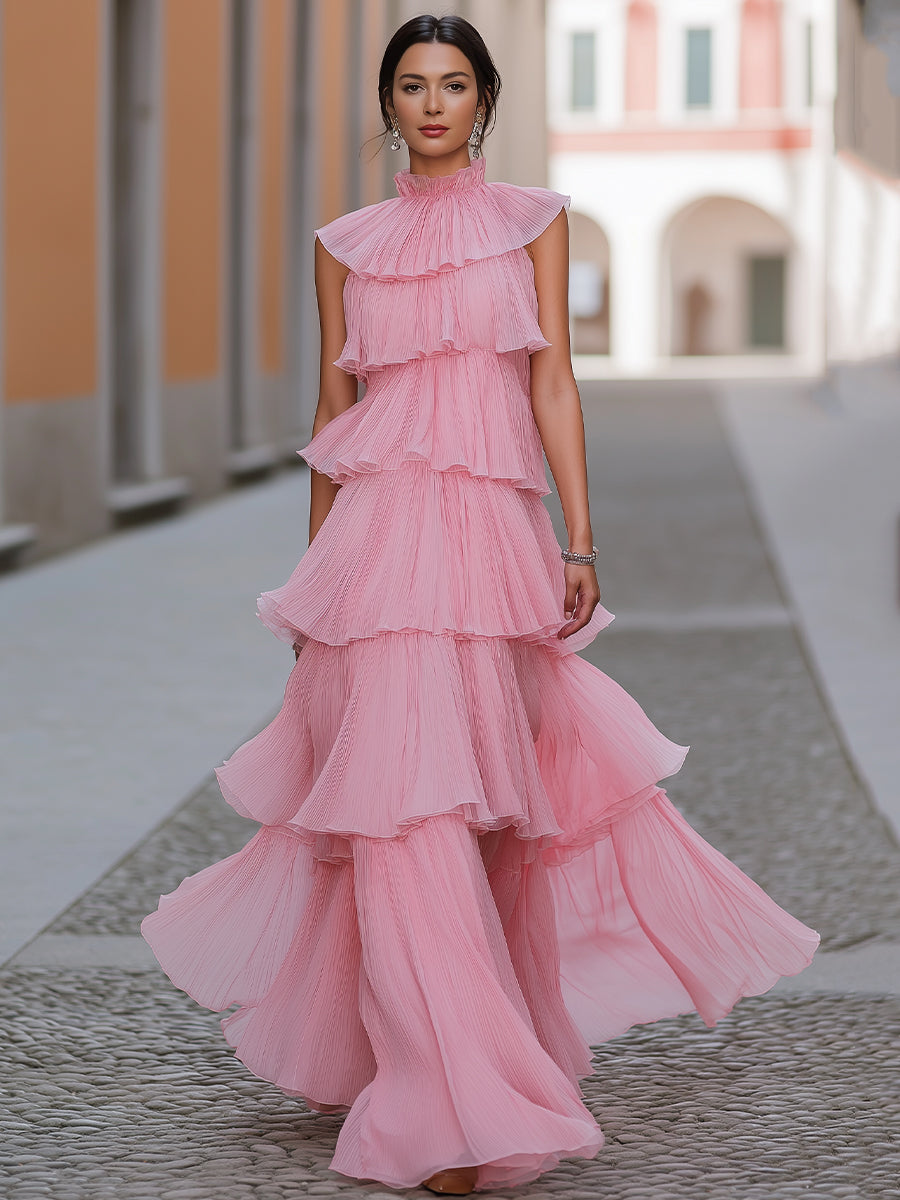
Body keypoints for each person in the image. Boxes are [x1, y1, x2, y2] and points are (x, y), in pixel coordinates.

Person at [142, 14, 820, 1196]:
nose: (434, 103)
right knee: (403, 813)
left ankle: (456, 1049)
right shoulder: (344, 243)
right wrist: (319, 591)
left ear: (484, 101)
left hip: (495, 552)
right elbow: (332, 423)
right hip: (381, 553)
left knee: (497, 819)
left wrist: (582, 537)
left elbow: (554, 381)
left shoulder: (535, 224)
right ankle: (446, 1094)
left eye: (455, 84)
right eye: (412, 85)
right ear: (390, 104)